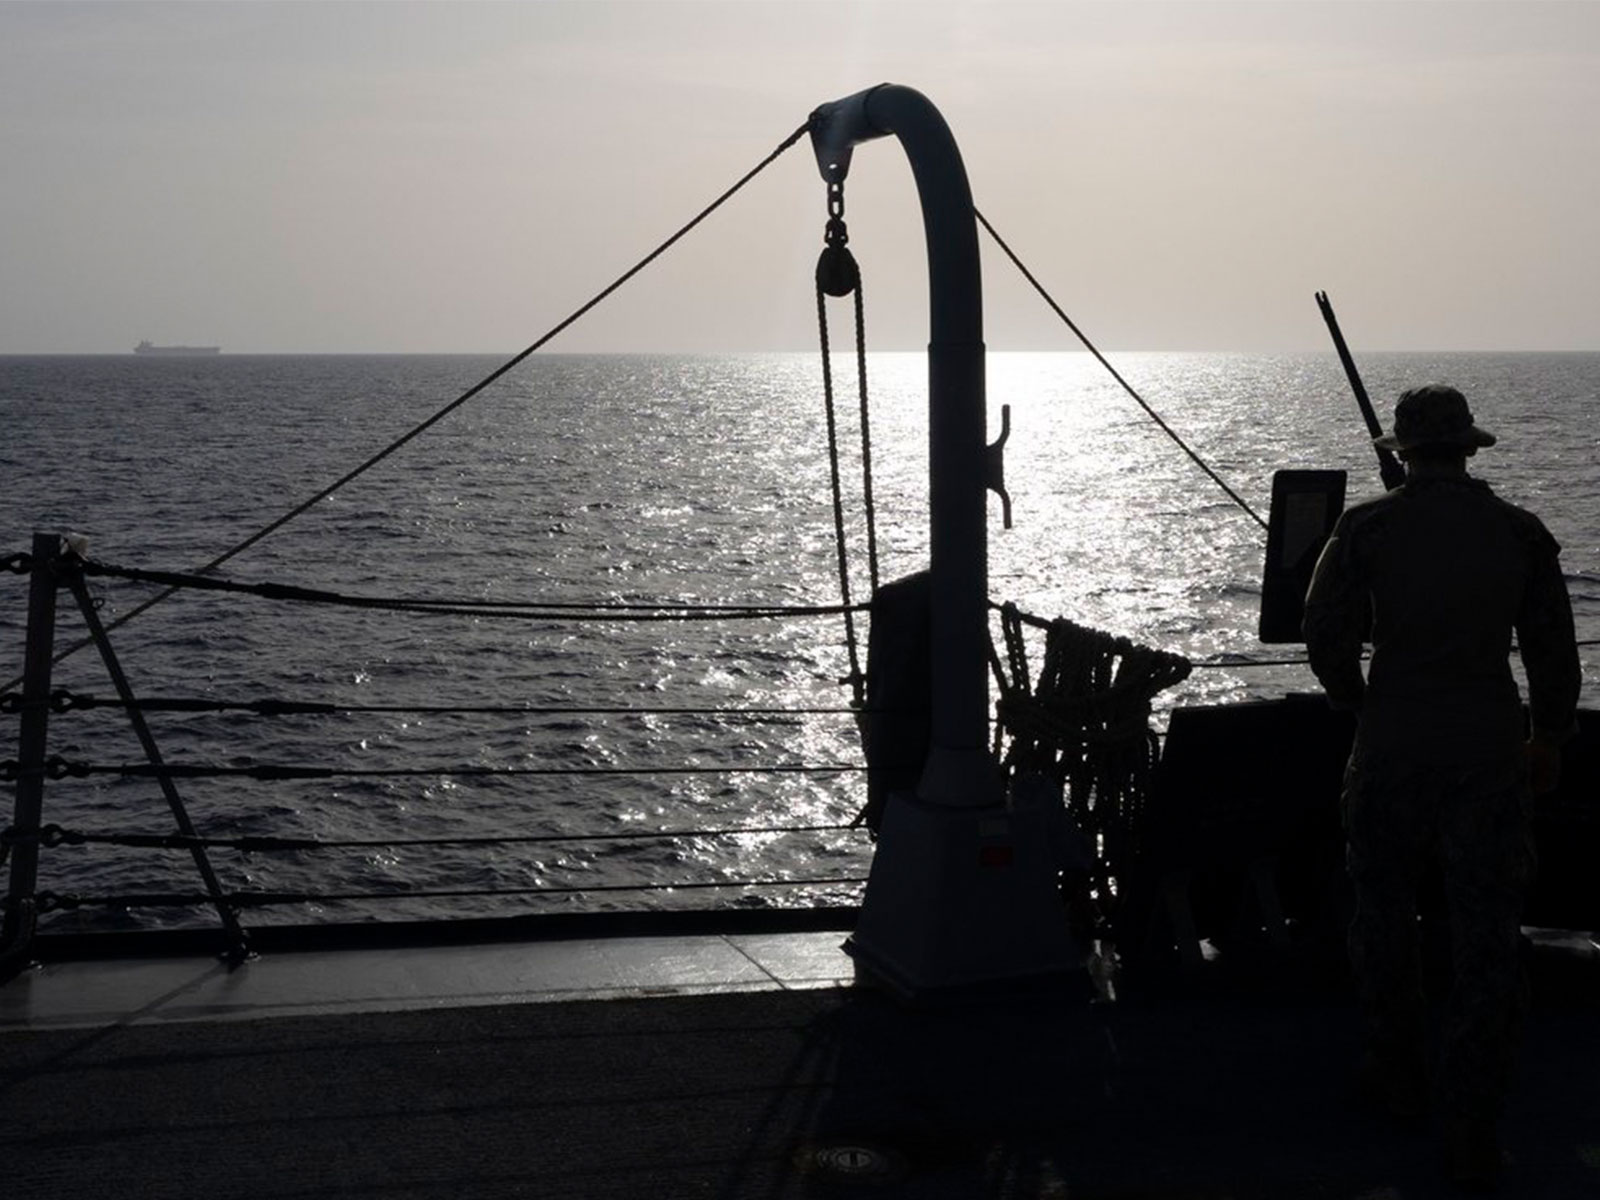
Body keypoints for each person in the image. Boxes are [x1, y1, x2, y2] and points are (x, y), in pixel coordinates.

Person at [1302, 384, 1581, 1192]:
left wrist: (1360, 701)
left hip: (1390, 749)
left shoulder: (1367, 528)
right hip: (1488, 755)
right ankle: (1473, 1118)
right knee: (1487, 936)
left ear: (1400, 450)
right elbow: (1552, 655)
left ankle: (1397, 1075)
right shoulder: (1518, 533)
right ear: (1469, 448)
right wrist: (1551, 736)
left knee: (1384, 915)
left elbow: (1327, 639)